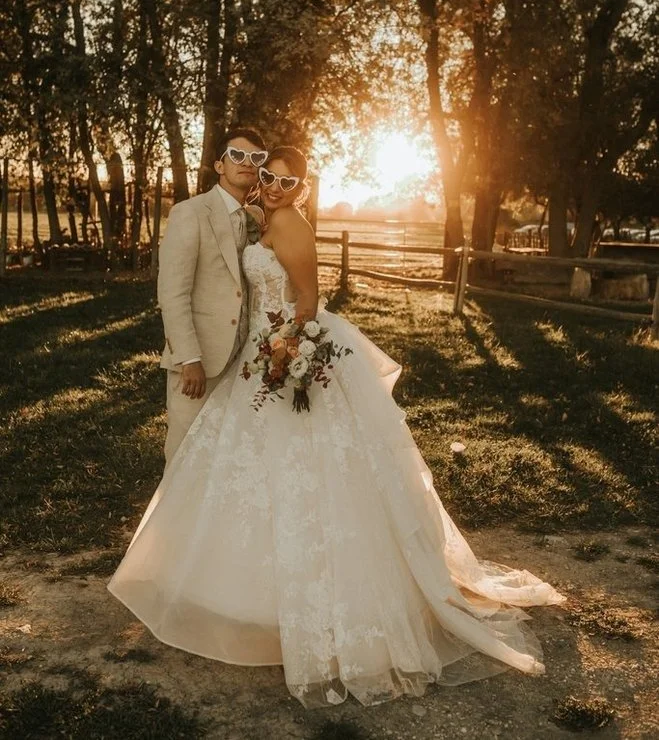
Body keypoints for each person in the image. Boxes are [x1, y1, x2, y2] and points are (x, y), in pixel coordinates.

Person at [109, 146, 565, 709]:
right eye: (268, 175)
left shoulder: (290, 222)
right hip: (253, 355)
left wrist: (287, 350)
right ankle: (227, 595)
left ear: (303, 186)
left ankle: (294, 607)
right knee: (238, 470)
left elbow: (308, 299)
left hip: (280, 353)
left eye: (287, 180)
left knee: (307, 472)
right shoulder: (259, 216)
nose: (274, 185)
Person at [156, 127, 267, 463]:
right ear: (220, 165)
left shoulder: (258, 217)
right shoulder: (190, 212)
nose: (246, 163)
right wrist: (189, 359)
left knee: (228, 457)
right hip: (200, 360)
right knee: (185, 453)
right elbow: (173, 293)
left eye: (256, 158)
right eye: (237, 155)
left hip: (245, 360)